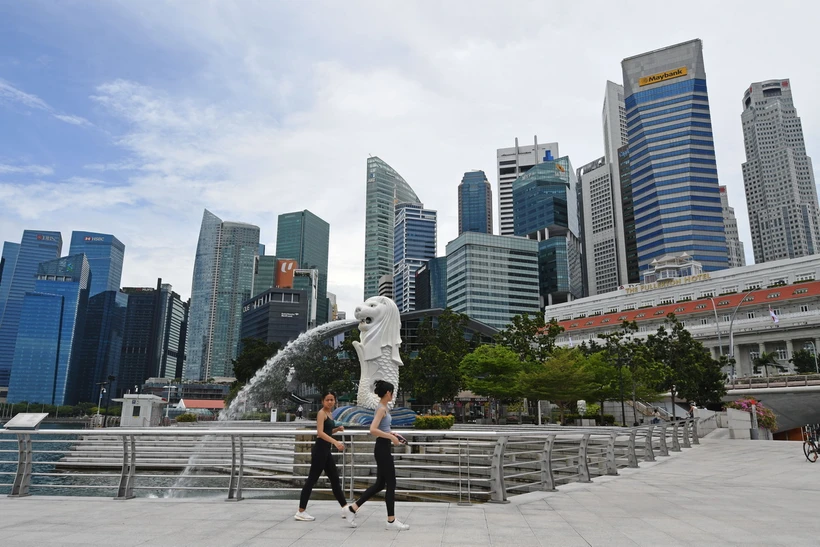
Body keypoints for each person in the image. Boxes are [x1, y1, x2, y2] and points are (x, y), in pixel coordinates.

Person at [346, 380, 410, 531]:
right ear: (388, 393)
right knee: (391, 483)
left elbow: (382, 428)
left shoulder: (384, 408)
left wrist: (393, 434)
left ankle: (352, 509)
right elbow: (373, 429)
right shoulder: (381, 409)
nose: (393, 395)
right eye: (393, 392)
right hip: (382, 448)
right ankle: (391, 520)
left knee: (380, 484)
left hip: (383, 446)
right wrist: (391, 437)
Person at [294, 392, 349, 521]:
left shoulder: (330, 413)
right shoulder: (321, 413)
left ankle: (345, 508)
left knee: (334, 479)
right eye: (327, 400)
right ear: (323, 401)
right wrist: (335, 442)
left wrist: (337, 430)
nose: (330, 402)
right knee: (312, 480)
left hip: (326, 451)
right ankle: (301, 511)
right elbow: (320, 433)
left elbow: (327, 431)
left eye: (332, 399)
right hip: (320, 451)